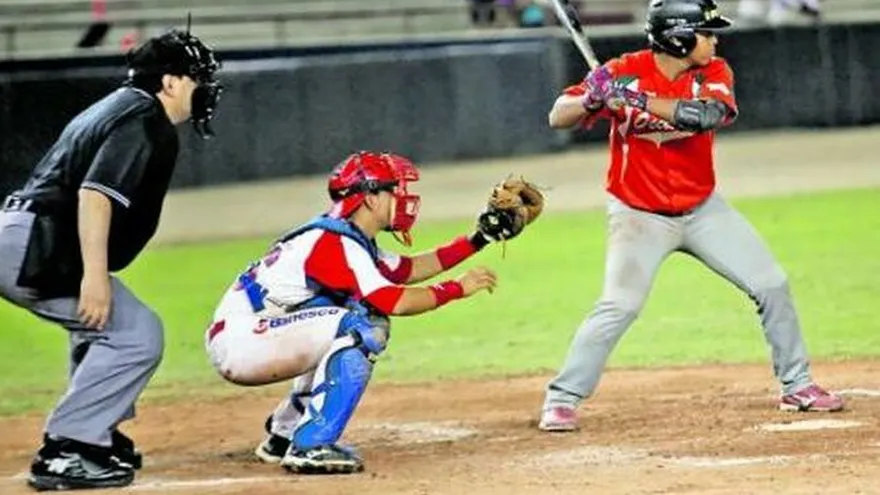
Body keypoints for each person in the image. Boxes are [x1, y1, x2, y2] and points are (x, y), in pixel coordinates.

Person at [537, 0, 843, 432]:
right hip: (638, 215)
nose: (714, 39)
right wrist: (591, 97)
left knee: (772, 283)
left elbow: (707, 116)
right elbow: (557, 117)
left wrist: (633, 97)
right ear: (679, 38)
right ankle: (562, 398)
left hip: (703, 210)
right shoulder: (624, 69)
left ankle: (798, 386)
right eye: (706, 32)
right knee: (618, 305)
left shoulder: (714, 72)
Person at [204, 151, 541, 474]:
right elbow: (393, 300)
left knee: (339, 314)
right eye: (395, 188)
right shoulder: (336, 242)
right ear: (370, 198)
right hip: (245, 341)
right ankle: (310, 445)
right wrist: (455, 289)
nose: (403, 196)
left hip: (250, 334)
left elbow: (408, 269)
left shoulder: (345, 236)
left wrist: (480, 237)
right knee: (365, 323)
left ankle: (284, 435)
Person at [0, 27, 221, 490]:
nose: (203, 90)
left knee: (104, 327)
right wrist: (95, 277)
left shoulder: (121, 106)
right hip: (38, 243)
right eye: (197, 79)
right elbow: (95, 196)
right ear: (171, 83)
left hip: (25, 234)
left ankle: (94, 432)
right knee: (137, 334)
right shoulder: (144, 118)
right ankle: (69, 447)